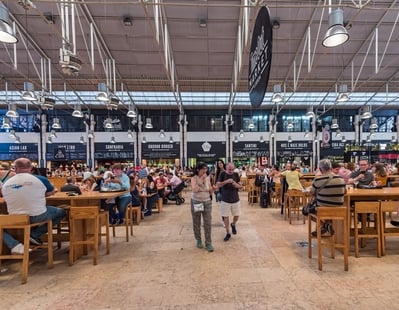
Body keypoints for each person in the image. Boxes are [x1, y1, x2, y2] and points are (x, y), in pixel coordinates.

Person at [1, 158, 66, 254]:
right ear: (31, 167)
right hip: (38, 216)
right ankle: (34, 234)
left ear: (14, 168)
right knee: (61, 212)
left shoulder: (6, 183)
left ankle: (14, 245)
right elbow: (51, 191)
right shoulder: (40, 179)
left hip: (15, 218)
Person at [311, 159, 346, 236]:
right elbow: (345, 192)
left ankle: (325, 224)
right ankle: (327, 224)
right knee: (328, 208)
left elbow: (312, 193)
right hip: (339, 208)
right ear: (331, 168)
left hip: (322, 208)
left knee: (306, 211)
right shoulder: (341, 179)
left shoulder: (318, 179)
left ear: (320, 169)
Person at [190, 162, 214, 252]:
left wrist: (213, 189)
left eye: (206, 169)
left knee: (207, 222)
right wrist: (201, 180)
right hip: (197, 202)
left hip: (207, 201)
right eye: (202, 169)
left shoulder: (208, 178)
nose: (205, 171)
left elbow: (209, 190)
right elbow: (195, 189)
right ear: (198, 170)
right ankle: (198, 239)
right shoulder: (194, 178)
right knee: (197, 221)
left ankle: (208, 242)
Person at [216, 162, 242, 242]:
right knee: (225, 216)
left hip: (235, 198)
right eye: (229, 169)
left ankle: (233, 224)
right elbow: (218, 184)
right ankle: (228, 232)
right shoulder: (222, 174)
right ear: (226, 168)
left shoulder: (236, 175)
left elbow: (240, 186)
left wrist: (235, 184)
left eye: (232, 169)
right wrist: (226, 181)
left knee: (237, 215)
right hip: (225, 199)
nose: (231, 171)